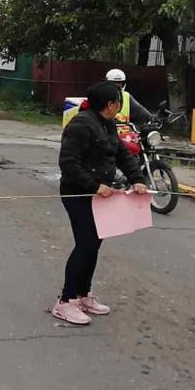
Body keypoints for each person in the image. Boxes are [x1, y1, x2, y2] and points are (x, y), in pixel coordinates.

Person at [54, 82, 148, 325]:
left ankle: (84, 294)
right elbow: (68, 163)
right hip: (78, 194)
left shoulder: (107, 124)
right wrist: (93, 186)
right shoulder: (81, 125)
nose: (119, 104)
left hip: (100, 196)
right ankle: (66, 301)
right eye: (118, 101)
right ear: (110, 104)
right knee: (85, 245)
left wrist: (137, 179)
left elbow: (121, 154)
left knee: (94, 244)